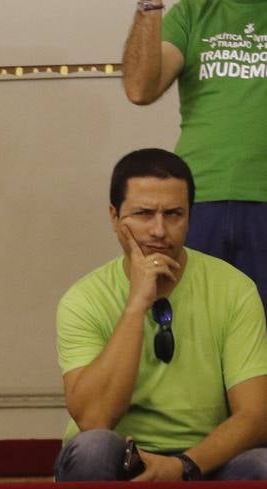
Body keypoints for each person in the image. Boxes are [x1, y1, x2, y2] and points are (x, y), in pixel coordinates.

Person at [54, 149, 267, 481]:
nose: (158, 230)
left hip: (204, 461)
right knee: (93, 448)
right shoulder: (83, 299)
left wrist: (183, 465)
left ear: (189, 217)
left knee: (261, 466)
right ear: (114, 217)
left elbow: (255, 415)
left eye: (173, 214)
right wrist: (137, 305)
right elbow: (95, 419)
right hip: (122, 456)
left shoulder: (235, 289)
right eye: (143, 213)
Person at [121, 0, 267, 310]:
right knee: (189, 325)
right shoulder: (192, 12)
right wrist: (150, 5)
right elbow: (139, 89)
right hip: (195, 202)